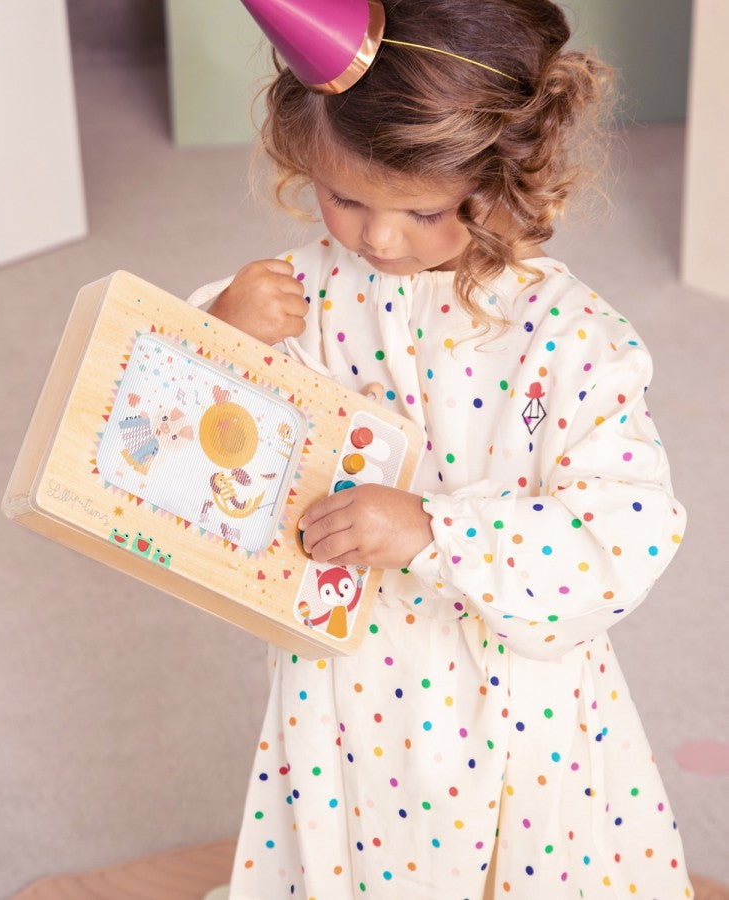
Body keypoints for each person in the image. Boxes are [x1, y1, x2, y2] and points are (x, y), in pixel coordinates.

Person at [188, 0, 692, 896]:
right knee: (348, 853)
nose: (378, 238)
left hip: (511, 708)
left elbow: (628, 532)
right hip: (341, 692)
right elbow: (169, 445)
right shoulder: (294, 295)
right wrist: (224, 339)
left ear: (506, 182)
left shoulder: (569, 338)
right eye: (344, 198)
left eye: (422, 210)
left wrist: (431, 531)